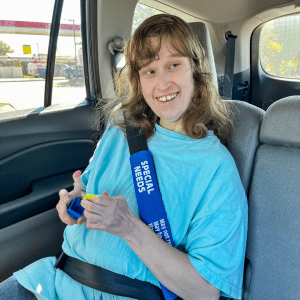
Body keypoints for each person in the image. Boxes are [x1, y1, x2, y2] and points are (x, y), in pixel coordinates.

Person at [0, 14, 248, 300]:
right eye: (149, 71)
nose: (163, 83)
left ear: (196, 70)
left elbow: (205, 292)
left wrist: (129, 227)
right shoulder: (121, 133)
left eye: (174, 65)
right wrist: (76, 203)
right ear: (138, 80)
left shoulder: (216, 168)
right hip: (53, 280)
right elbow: (92, 199)